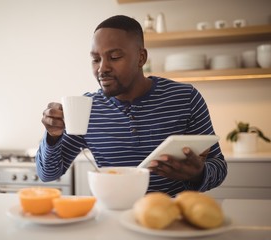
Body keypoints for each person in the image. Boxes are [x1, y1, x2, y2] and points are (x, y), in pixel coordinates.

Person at [36, 15, 227, 197]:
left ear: (141, 58)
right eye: (96, 59)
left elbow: (219, 167)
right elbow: (48, 174)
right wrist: (52, 137)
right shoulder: (87, 108)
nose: (102, 68)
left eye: (115, 56)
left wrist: (198, 174)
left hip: (170, 216)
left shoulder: (186, 98)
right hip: (113, 216)